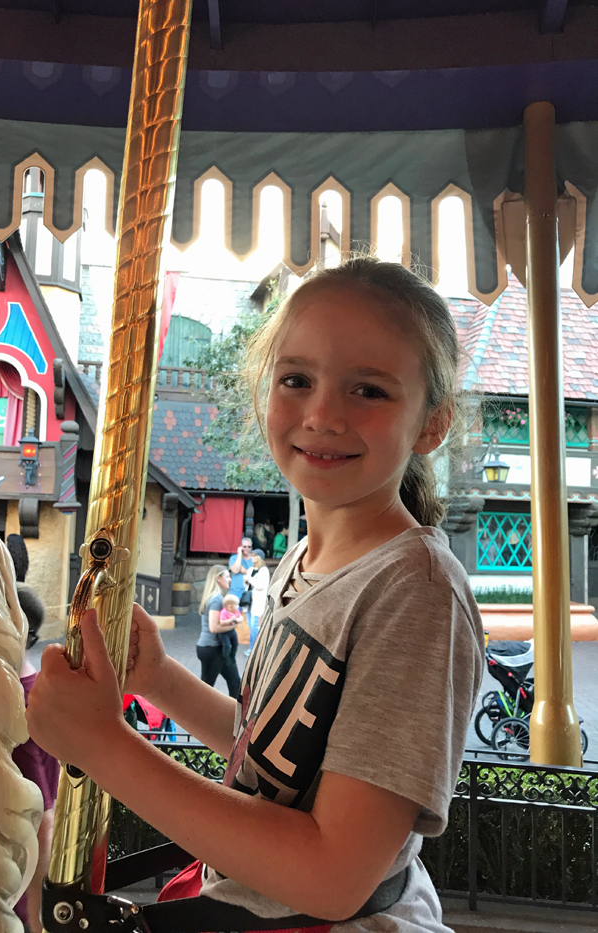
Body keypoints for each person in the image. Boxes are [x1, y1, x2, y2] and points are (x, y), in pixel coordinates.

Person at [27, 255, 484, 933]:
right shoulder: (305, 557)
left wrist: (104, 745)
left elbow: (333, 873)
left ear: (431, 423)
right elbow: (267, 753)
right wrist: (160, 679)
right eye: (297, 379)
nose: (323, 412)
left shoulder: (414, 593)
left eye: (369, 390)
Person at [12, 584, 59, 933]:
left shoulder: (20, 706)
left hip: (13, 894)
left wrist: (34, 918)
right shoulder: (40, 689)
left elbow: (44, 819)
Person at [194, 565, 241, 699]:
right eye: (227, 576)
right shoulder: (217, 599)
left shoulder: (214, 598)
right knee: (232, 684)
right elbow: (214, 628)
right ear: (218, 578)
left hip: (210, 648)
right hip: (213, 649)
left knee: (231, 683)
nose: (230, 579)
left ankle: (232, 715)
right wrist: (234, 626)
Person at [243, 548, 270, 656]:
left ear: (259, 558)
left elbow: (260, 586)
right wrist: (246, 581)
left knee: (254, 625)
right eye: (252, 555)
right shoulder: (250, 570)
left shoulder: (264, 571)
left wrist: (248, 579)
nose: (252, 557)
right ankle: (261, 644)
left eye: (254, 555)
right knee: (251, 624)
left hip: (257, 602)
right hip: (248, 601)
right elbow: (247, 586)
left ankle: (253, 649)